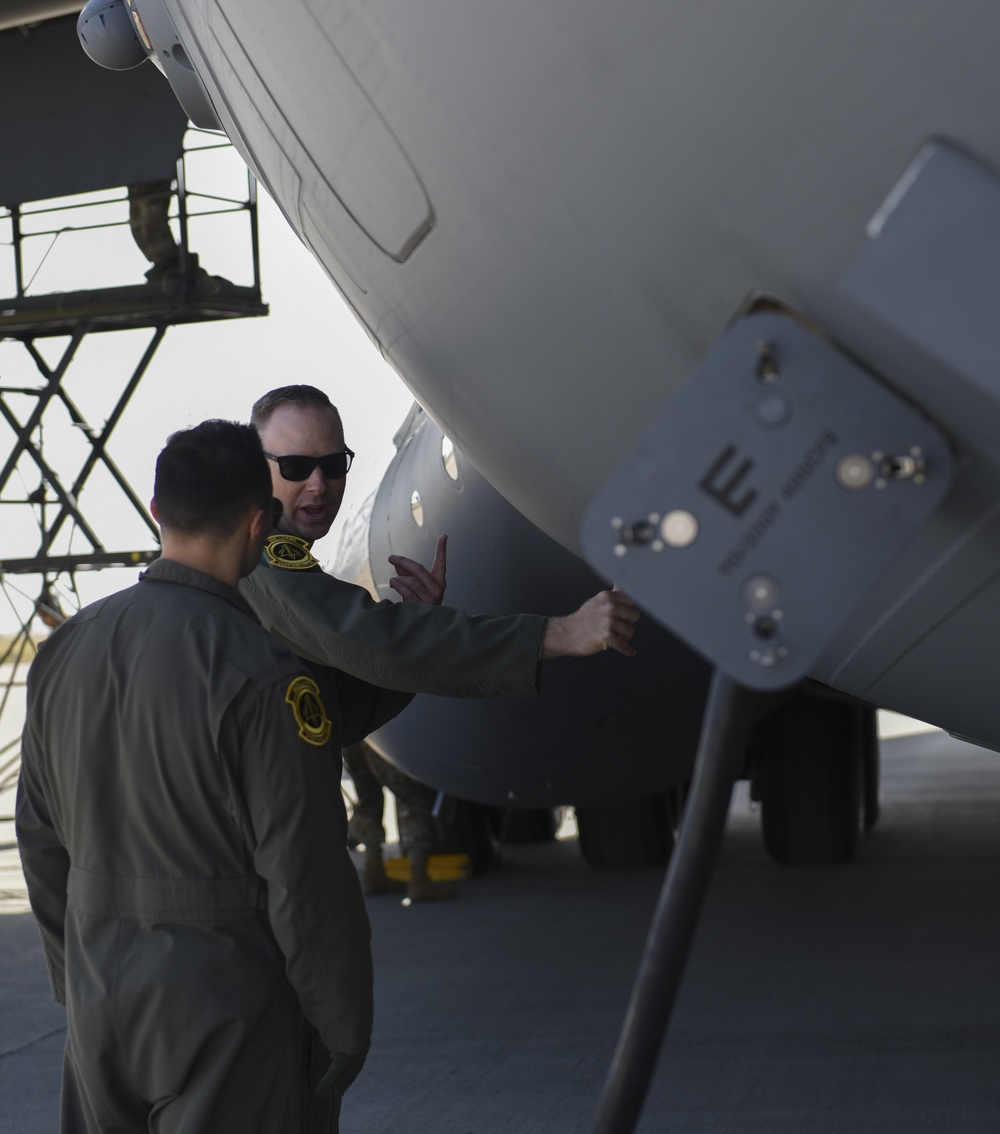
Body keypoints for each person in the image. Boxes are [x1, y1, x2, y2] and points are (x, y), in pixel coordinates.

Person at [16, 420, 404, 1133]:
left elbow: (40, 843)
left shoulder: (65, 650)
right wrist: (341, 1021)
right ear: (259, 525)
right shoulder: (265, 673)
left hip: (102, 1002)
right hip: (225, 1006)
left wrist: (79, 978)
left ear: (159, 511)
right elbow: (306, 872)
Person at [239, 385, 639, 713]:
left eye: (332, 465)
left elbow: (339, 716)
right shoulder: (260, 558)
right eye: (295, 467)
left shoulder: (260, 560)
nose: (318, 484)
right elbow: (374, 641)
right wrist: (565, 633)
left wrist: (416, 633)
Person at [343, 739, 456, 902]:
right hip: (379, 735)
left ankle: (373, 873)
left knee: (368, 798)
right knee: (409, 797)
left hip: (352, 737)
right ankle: (419, 879)